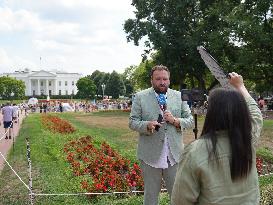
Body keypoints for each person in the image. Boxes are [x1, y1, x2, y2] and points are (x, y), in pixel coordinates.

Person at [172, 72, 263, 205]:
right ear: (242, 113)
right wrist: (241, 87)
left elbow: (180, 201)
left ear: (212, 113)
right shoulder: (248, 141)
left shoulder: (195, 151)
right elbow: (256, 115)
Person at [129, 65, 193, 205]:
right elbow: (132, 122)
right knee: (151, 196)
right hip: (150, 155)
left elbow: (190, 121)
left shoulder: (178, 96)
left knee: (177, 197)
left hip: (174, 155)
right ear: (151, 80)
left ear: (169, 80)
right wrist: (147, 125)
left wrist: (175, 121)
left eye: (165, 79)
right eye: (158, 79)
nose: (162, 82)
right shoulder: (140, 97)